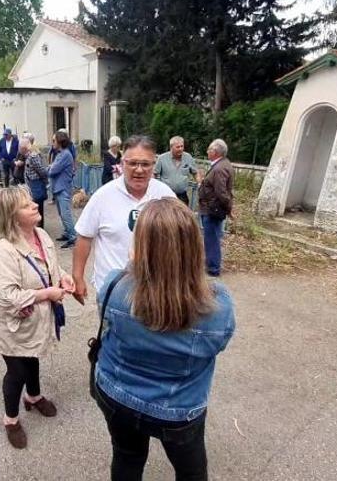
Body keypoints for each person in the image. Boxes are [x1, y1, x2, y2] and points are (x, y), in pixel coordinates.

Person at [94, 198, 235, 481]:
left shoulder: (115, 284)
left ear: (142, 246)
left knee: (126, 456)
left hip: (116, 392)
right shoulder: (217, 305)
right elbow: (219, 344)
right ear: (194, 246)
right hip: (177, 408)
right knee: (191, 471)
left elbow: (108, 320)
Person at [0, 186, 75, 449]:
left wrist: (63, 277)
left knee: (32, 355)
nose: (35, 205)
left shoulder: (41, 234)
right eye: (26, 205)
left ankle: (33, 398)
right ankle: (10, 420)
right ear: (12, 216)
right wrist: (48, 293)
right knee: (17, 371)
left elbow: (51, 267)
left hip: (32, 315)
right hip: (8, 320)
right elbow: (9, 296)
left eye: (31, 202)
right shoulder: (4, 250)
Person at [72, 135, 175, 303]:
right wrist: (77, 277)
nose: (139, 170)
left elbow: (180, 238)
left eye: (145, 164)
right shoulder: (102, 196)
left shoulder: (166, 195)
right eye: (133, 163)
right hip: (113, 292)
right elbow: (84, 237)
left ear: (154, 165)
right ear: (122, 163)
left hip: (155, 290)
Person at [198, 139, 234, 277]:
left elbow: (221, 192)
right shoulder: (221, 165)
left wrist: (229, 208)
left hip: (213, 210)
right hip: (213, 208)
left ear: (215, 152)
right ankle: (212, 265)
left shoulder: (219, 168)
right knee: (212, 237)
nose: (207, 151)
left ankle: (213, 268)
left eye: (209, 149)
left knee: (211, 239)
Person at [49, 131, 77, 249]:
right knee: (62, 213)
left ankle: (73, 237)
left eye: (54, 140)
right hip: (59, 187)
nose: (52, 143)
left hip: (63, 188)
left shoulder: (65, 154)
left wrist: (49, 168)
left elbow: (52, 170)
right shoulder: (61, 153)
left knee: (66, 214)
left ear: (60, 141)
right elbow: (52, 168)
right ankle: (67, 233)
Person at [155, 136, 198, 204]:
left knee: (182, 214)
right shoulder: (162, 158)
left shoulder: (188, 157)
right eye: (178, 147)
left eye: (182, 146)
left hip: (182, 196)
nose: (180, 149)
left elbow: (195, 172)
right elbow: (154, 173)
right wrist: (157, 188)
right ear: (171, 147)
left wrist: (200, 184)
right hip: (165, 196)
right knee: (166, 214)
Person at [22, 137, 49, 228]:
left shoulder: (33, 156)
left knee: (38, 208)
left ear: (24, 148)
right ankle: (37, 227)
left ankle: (40, 228)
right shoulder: (29, 155)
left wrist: (45, 181)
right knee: (36, 207)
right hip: (33, 184)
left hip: (36, 185)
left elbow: (41, 170)